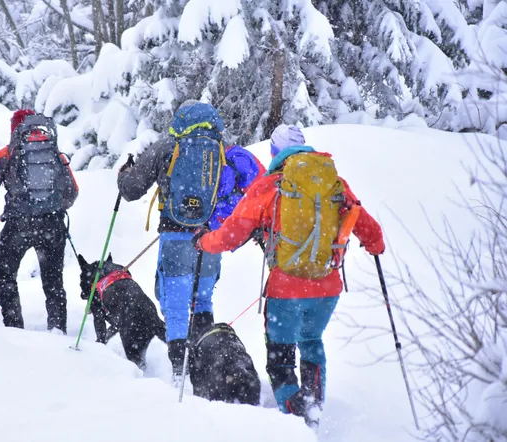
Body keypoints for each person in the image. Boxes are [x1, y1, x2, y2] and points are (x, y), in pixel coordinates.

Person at [193, 124, 385, 426]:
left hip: (286, 289)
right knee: (311, 340)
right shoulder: (333, 182)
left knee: (281, 356)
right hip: (327, 286)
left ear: (274, 153)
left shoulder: (269, 187)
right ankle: (313, 409)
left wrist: (205, 240)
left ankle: (295, 423)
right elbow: (368, 227)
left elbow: (231, 234)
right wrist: (375, 245)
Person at [117, 101, 264, 380]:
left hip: (175, 234)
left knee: (174, 305)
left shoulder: (168, 146)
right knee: (202, 300)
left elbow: (132, 190)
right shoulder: (220, 149)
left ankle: (179, 372)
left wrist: (124, 175)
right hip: (209, 237)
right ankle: (204, 361)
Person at [0, 109, 79, 332]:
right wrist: (53, 207)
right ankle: (57, 330)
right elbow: (73, 191)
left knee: (6, 275)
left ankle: (14, 330)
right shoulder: (54, 153)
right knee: (53, 281)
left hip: (18, 226)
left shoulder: (5, 155)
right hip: (52, 225)